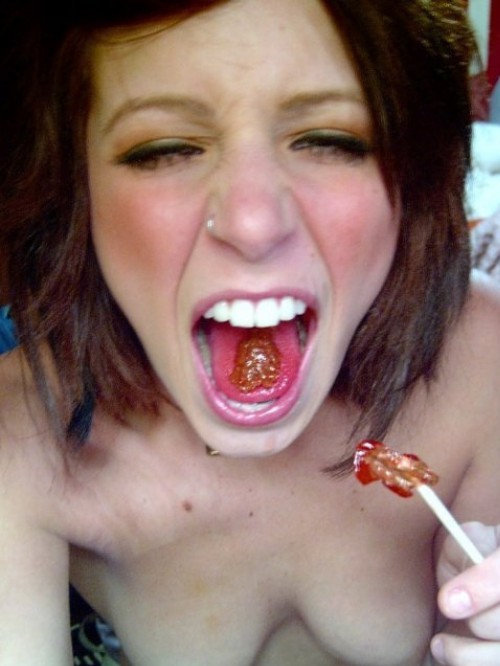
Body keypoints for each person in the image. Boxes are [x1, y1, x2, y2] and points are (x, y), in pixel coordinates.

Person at [1, 1, 500, 664]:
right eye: (165, 149)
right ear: (74, 191)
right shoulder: (20, 439)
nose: (254, 223)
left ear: (415, 177)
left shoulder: (486, 362)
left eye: (332, 141)